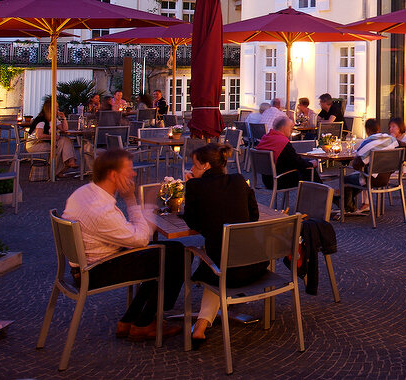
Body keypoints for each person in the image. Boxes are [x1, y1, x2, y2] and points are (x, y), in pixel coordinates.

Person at [61, 149, 184, 341]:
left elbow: (129, 236)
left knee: (169, 252)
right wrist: (132, 200)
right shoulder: (100, 210)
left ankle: (131, 319)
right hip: (96, 271)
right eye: (129, 170)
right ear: (113, 174)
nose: (133, 174)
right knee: (177, 255)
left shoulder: (83, 193)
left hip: (85, 265)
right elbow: (140, 239)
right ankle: (144, 324)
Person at [182, 142, 266, 348]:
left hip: (225, 270)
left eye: (194, 165)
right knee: (221, 260)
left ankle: (200, 325)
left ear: (206, 166)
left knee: (216, 263)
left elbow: (192, 223)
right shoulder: (238, 180)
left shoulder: (195, 187)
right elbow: (253, 216)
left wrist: (191, 190)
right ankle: (201, 325)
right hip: (255, 264)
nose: (191, 170)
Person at [254, 116, 321, 190]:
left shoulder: (266, 138)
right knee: (309, 169)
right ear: (284, 127)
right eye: (291, 128)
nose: (292, 130)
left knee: (306, 164)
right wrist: (312, 164)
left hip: (267, 179)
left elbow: (290, 159)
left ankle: (325, 195)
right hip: (279, 180)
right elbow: (296, 162)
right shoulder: (282, 142)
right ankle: (325, 196)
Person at [27, 96, 78, 175]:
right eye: (56, 107)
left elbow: (64, 129)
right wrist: (53, 137)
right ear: (50, 108)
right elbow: (39, 135)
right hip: (34, 143)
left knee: (65, 141)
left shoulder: (54, 119)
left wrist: (63, 118)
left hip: (46, 142)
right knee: (60, 146)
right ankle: (58, 170)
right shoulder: (41, 120)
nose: (58, 109)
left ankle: (64, 165)